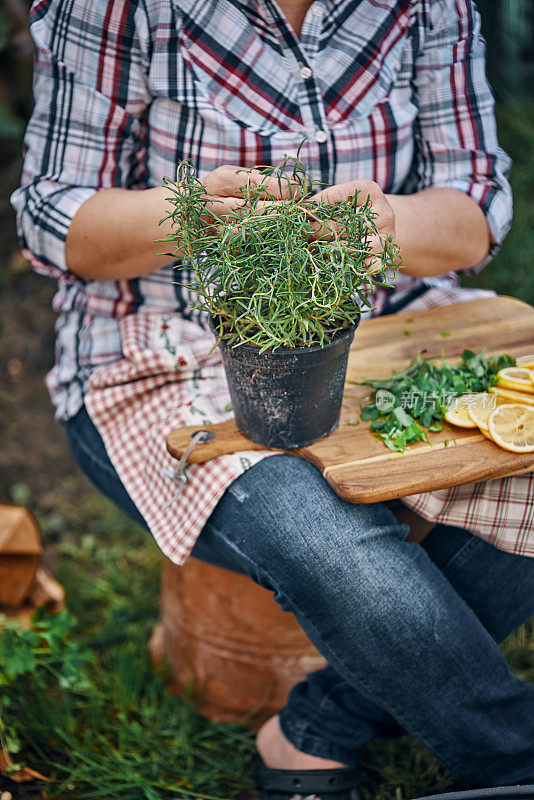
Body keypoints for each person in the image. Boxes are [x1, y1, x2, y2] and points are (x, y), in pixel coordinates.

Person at [12, 0, 534, 797]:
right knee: (326, 539)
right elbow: (53, 221)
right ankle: (514, 760)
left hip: (398, 332)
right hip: (161, 349)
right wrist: (191, 215)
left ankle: (316, 729)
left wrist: (387, 224)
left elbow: (477, 206)